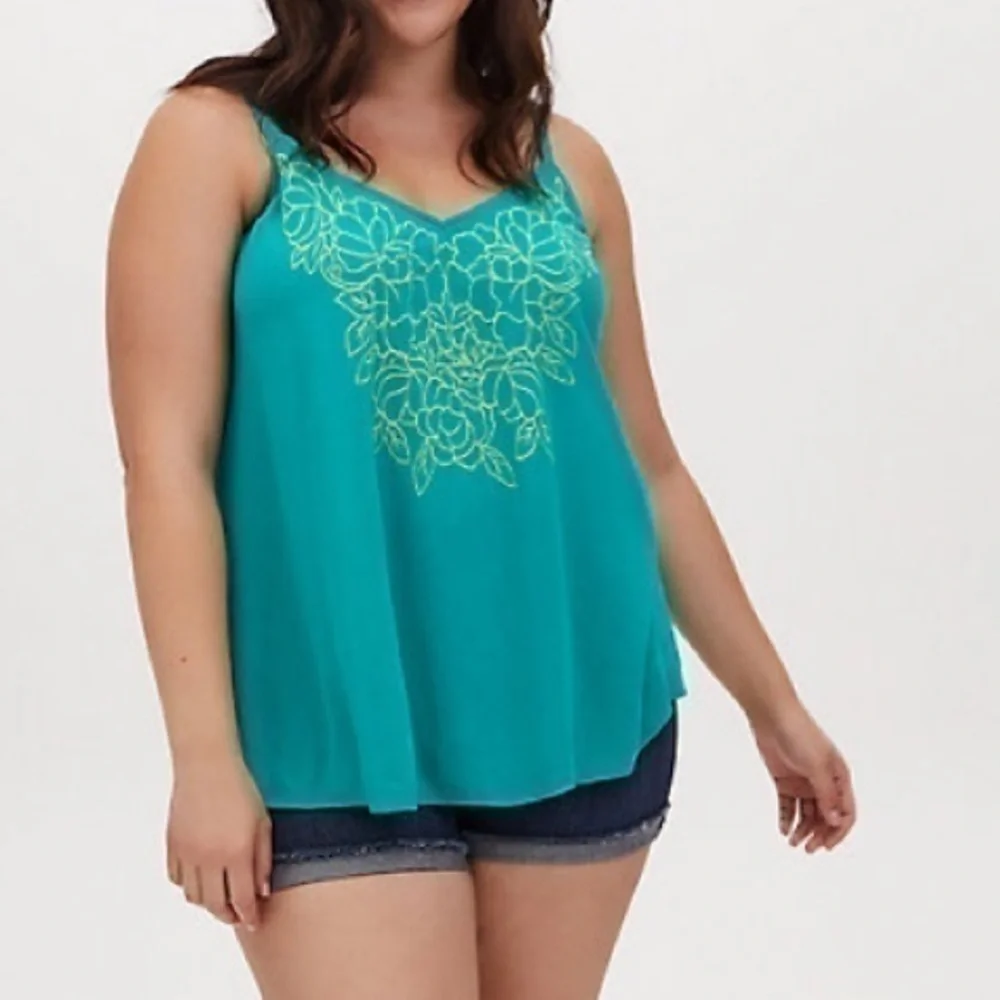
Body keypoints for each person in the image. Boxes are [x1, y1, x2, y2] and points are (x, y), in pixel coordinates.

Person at [105, 1, 857, 997]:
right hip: (326, 722)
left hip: (577, 709)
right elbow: (166, 465)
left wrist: (774, 704)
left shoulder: (570, 167)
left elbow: (649, 465)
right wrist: (203, 756)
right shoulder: (213, 141)